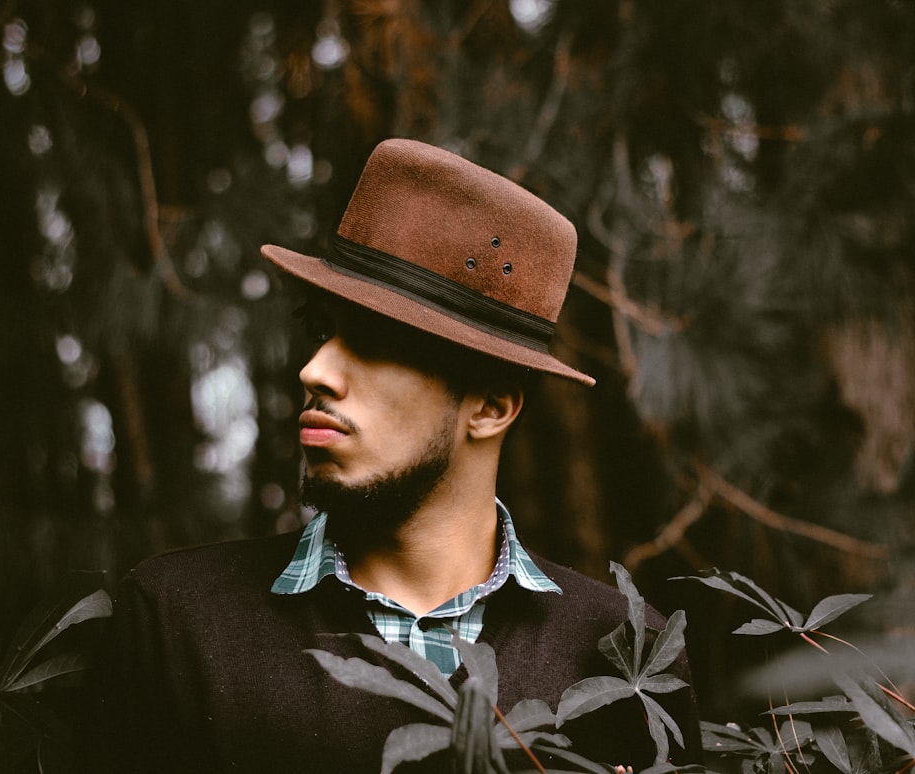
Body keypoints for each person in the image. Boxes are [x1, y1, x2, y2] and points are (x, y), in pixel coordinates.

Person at [88, 139, 700, 772]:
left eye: (375, 342)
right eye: (322, 331)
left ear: (490, 406)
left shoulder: (621, 651)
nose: (314, 370)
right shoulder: (177, 619)